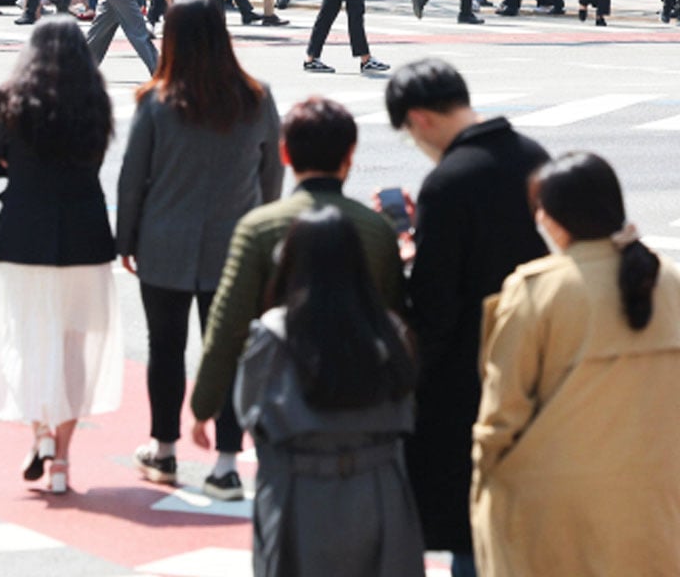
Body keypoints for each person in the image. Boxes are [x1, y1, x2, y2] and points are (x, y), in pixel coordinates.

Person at [472, 152, 680, 577]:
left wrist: (484, 480)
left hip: (558, 510)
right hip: (656, 501)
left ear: (552, 219)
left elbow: (501, 413)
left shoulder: (536, 290)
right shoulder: (670, 282)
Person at [383, 58, 548, 577]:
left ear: (420, 119)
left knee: (470, 529)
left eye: (408, 131)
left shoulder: (447, 183)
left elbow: (435, 304)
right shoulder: (531, 155)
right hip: (538, 360)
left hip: (468, 375)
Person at [191, 96, 408, 481]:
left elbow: (228, 324)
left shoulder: (258, 227)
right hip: (362, 393)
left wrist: (204, 404)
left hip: (282, 395)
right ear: (350, 155)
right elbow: (394, 316)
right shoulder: (375, 231)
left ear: (285, 154)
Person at [117, 0, 282, 499]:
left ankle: (164, 451)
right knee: (230, 352)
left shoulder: (157, 101)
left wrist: (126, 238)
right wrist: (261, 232)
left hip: (163, 243)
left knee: (164, 350)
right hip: (234, 249)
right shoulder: (256, 97)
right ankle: (227, 464)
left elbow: (132, 179)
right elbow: (272, 173)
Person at [235, 206, 422, 576]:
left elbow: (251, 414)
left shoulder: (274, 335)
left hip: (299, 491)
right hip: (380, 490)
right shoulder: (391, 332)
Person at [0, 17, 123, 495]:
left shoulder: (12, 98)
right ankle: (61, 458)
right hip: (83, 235)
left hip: (23, 233)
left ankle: (38, 431)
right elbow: (96, 160)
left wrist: (15, 162)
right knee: (73, 347)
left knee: (24, 336)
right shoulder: (95, 102)